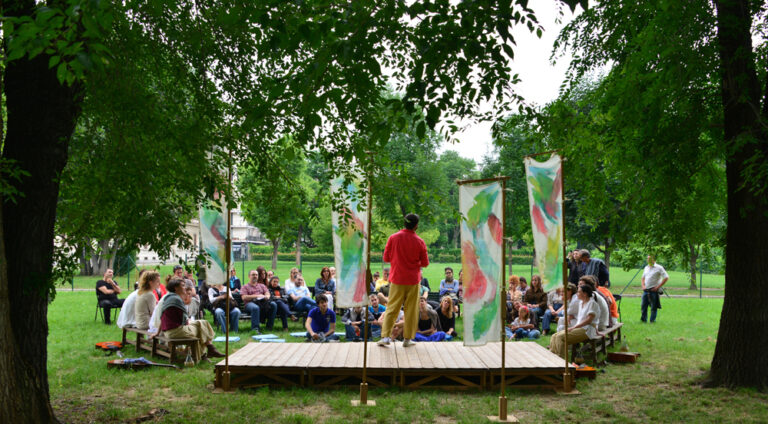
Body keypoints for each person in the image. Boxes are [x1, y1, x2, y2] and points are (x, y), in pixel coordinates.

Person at [378, 213, 430, 347]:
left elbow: (386, 258)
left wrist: (397, 260)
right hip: (413, 280)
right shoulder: (420, 241)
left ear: (404, 223)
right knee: (411, 310)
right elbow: (425, 263)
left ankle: (385, 337)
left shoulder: (393, 238)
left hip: (397, 279)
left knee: (392, 308)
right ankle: (407, 339)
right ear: (416, 226)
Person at [160, 278, 225, 362]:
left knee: (202, 323)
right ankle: (207, 352)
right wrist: (189, 322)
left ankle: (209, 350)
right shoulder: (177, 300)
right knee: (200, 329)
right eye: (183, 285)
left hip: (169, 330)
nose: (185, 287)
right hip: (175, 331)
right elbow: (184, 321)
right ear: (176, 288)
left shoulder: (168, 297)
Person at [549, 284, 599, 359]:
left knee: (560, 337)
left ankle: (561, 360)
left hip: (587, 330)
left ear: (585, 294)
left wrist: (573, 327)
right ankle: (552, 356)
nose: (576, 294)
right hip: (580, 328)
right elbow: (579, 316)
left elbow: (589, 320)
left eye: (579, 292)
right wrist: (571, 316)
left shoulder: (592, 304)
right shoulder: (581, 303)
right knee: (554, 336)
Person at [240, 268, 275, 333]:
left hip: (261, 302)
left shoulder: (262, 285)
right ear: (249, 276)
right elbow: (244, 297)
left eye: (256, 275)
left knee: (273, 305)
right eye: (253, 275)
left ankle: (269, 326)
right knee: (255, 308)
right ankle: (255, 329)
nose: (255, 276)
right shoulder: (245, 287)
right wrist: (257, 296)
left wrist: (267, 296)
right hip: (249, 304)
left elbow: (267, 293)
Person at [641, 255, 669, 323]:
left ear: (654, 259)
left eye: (650, 258)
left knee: (654, 307)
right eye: (647, 258)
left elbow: (666, 277)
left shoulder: (659, 267)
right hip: (646, 290)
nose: (648, 260)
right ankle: (643, 320)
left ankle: (652, 320)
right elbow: (643, 278)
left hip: (654, 290)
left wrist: (658, 287)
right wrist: (643, 286)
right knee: (643, 306)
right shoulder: (646, 267)